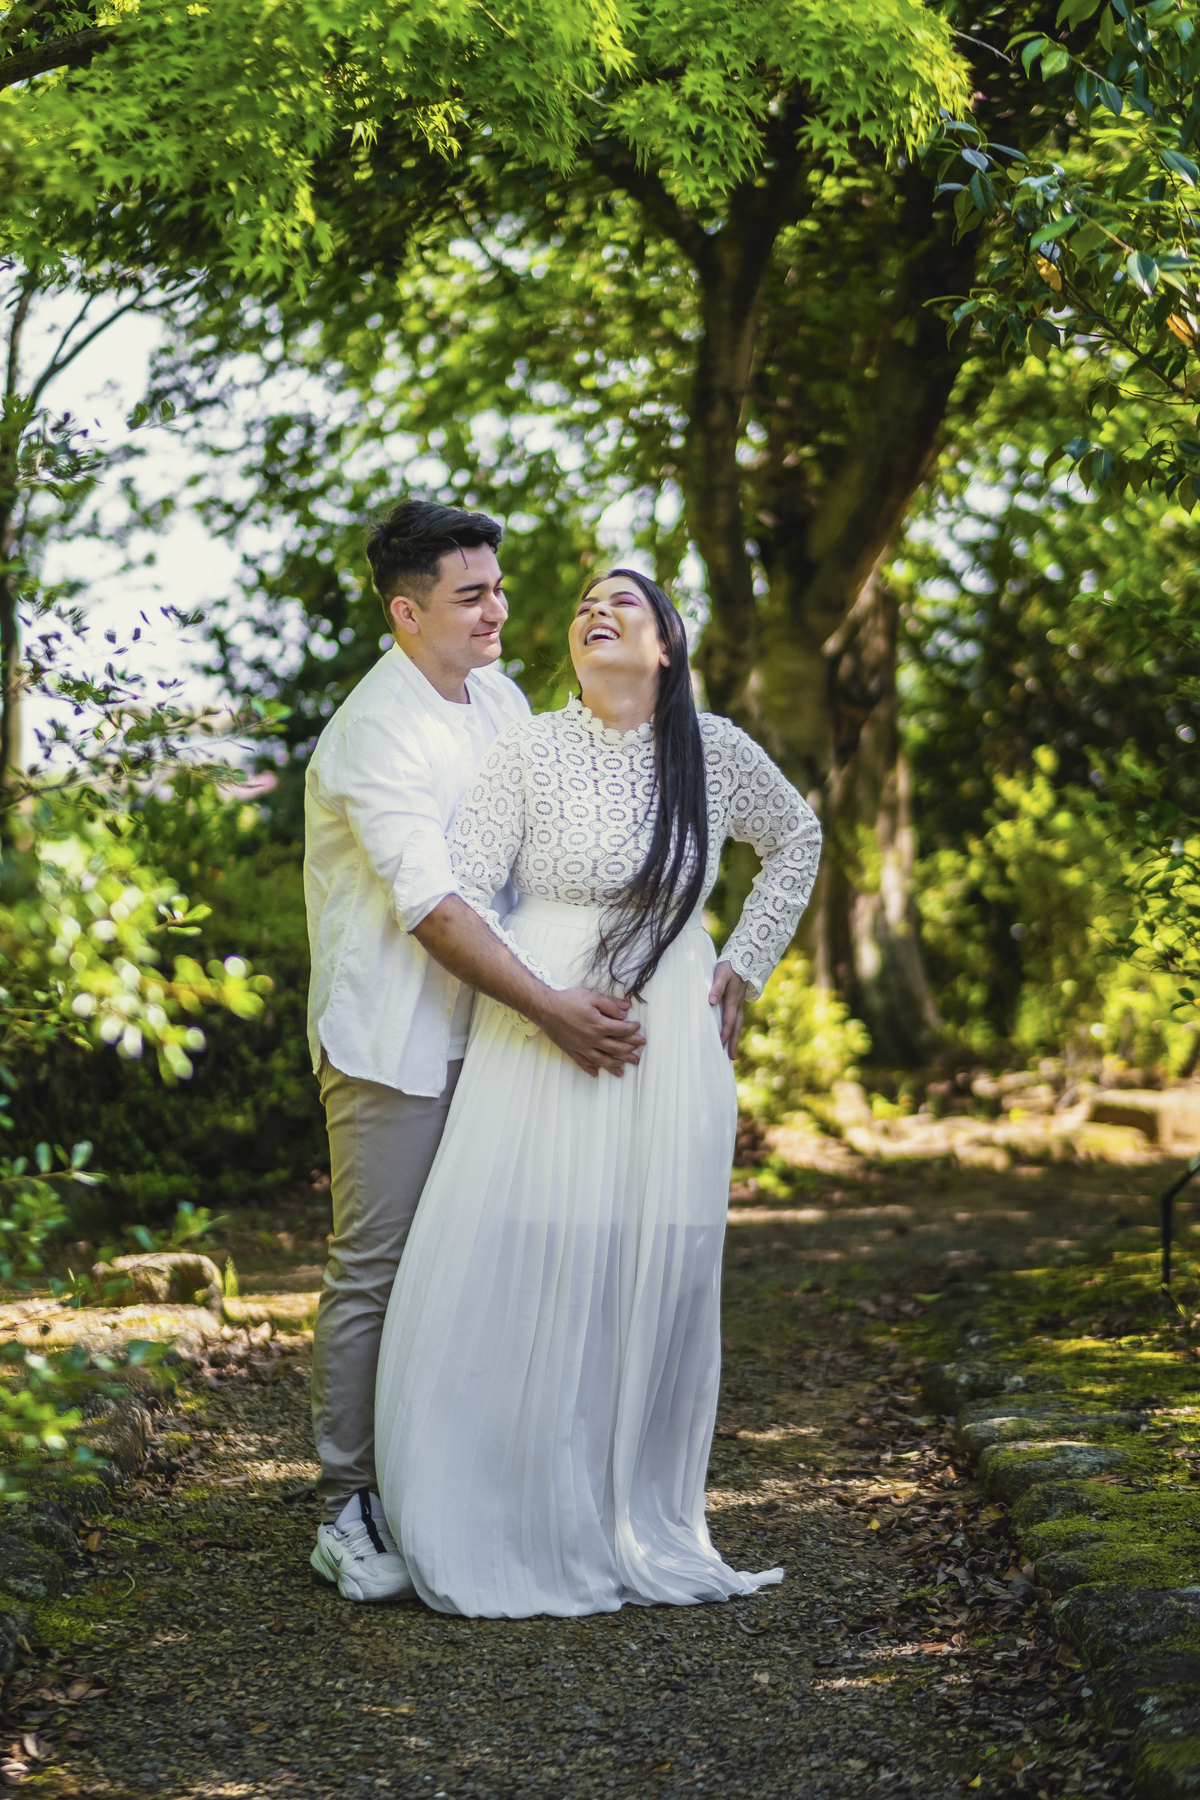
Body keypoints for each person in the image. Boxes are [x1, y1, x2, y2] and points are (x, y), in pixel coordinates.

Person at [373, 567, 823, 1617]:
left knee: (645, 1274)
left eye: (623, 600)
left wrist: (745, 964)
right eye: (582, 600)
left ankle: (622, 1511)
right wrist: (542, 1003)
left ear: (665, 644)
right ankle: (513, 1509)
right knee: (529, 1258)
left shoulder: (712, 751)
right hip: (540, 1042)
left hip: (672, 1056)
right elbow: (463, 889)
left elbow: (797, 838)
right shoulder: (526, 749)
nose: (596, 609)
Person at [304, 503, 645, 1602]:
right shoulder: (374, 732)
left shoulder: (497, 698)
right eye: (472, 596)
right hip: (394, 1041)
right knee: (380, 1271)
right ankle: (348, 1505)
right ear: (408, 612)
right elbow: (436, 908)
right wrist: (553, 1006)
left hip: (498, 1030)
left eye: (498, 587)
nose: (500, 609)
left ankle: (450, 1482)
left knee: (486, 1263)